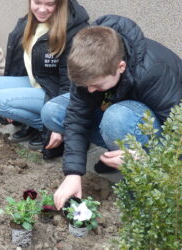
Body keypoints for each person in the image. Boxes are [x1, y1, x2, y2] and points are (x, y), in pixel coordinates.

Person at [42, 15, 182, 209]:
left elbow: (178, 132)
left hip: (161, 128)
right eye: (86, 86)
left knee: (117, 118)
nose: (90, 90)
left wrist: (146, 158)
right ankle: (116, 153)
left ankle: (143, 183)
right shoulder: (87, 63)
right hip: (122, 111)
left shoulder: (154, 71)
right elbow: (76, 118)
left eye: (97, 85)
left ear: (120, 67)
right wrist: (73, 174)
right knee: (54, 111)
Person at [0, 0, 89, 155]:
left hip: (55, 92)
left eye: (49, 4)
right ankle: (31, 123)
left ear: (60, 4)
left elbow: (70, 85)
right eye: (37, 2)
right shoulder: (30, 22)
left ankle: (43, 127)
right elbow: (20, 65)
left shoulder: (73, 31)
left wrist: (57, 127)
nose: (42, 9)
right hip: (37, 82)